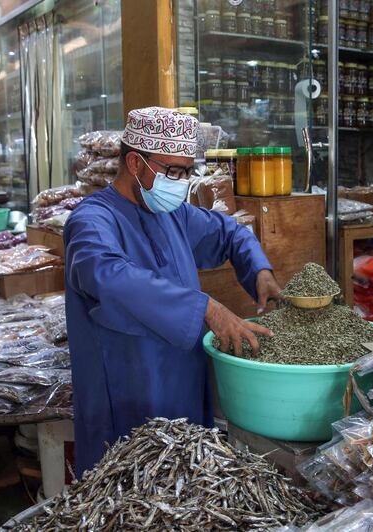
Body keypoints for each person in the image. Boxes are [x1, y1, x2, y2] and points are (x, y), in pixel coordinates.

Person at [64, 107, 281, 476]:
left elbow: (230, 232)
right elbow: (106, 274)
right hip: (126, 388)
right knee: (129, 493)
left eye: (187, 172)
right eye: (174, 172)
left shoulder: (172, 214)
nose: (182, 183)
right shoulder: (92, 219)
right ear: (135, 162)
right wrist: (206, 308)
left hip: (183, 378)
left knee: (189, 487)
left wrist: (259, 270)